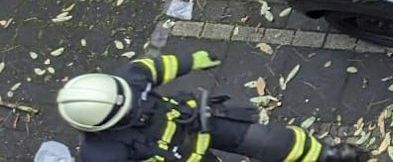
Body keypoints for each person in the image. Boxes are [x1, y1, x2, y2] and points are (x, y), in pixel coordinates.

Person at [57, 48, 369, 161]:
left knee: (271, 140)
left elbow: (158, 67)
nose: (138, 107)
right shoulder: (101, 154)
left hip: (194, 121)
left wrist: (191, 60)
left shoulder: (129, 78)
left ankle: (326, 155)